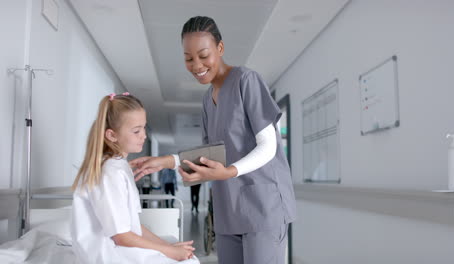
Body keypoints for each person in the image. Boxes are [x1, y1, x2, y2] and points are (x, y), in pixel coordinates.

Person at [130, 16, 297, 264]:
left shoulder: (246, 81)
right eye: (188, 58)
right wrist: (166, 161)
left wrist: (228, 172)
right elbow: (210, 154)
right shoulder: (208, 100)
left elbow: (268, 146)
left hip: (263, 207)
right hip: (228, 209)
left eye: (203, 55)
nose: (196, 65)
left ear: (220, 48)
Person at [71, 93, 198, 264]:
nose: (144, 136)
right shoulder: (111, 172)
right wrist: (169, 250)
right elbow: (122, 237)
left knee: (187, 259)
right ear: (112, 135)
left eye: (144, 128)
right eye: (136, 130)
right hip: (107, 254)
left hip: (117, 247)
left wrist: (170, 247)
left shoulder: (119, 166)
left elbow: (132, 226)